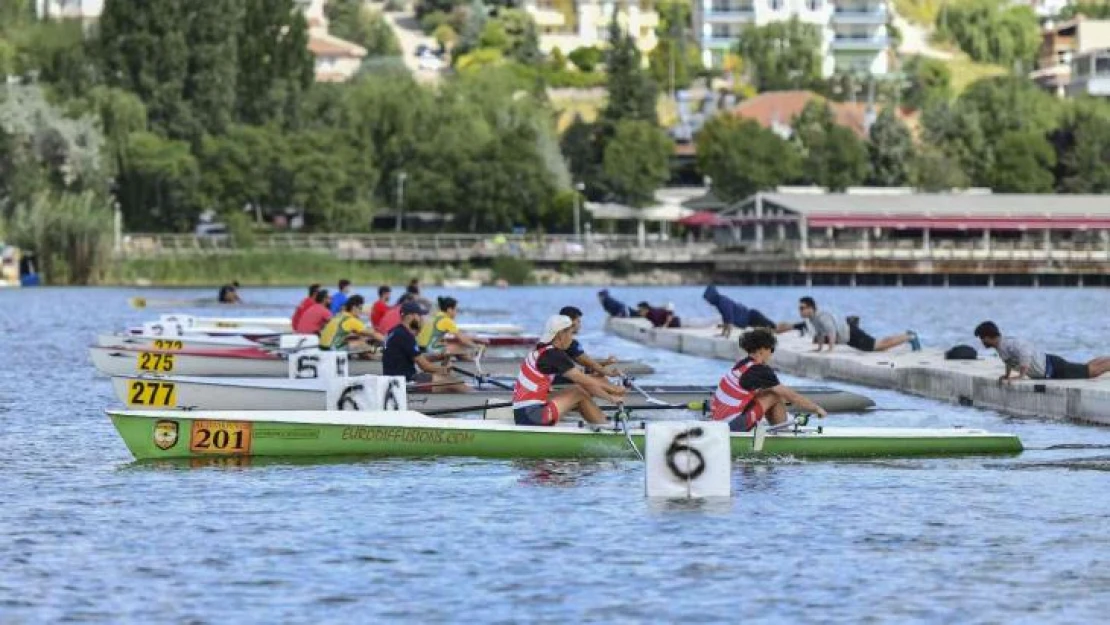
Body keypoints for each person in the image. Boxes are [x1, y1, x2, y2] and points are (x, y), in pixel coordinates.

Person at [511, 315, 627, 426]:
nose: (572, 339)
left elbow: (582, 378)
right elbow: (584, 381)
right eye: (571, 333)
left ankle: (599, 422)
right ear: (561, 334)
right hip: (532, 416)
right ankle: (605, 429)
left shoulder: (542, 350)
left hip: (523, 413)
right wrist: (612, 396)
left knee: (576, 390)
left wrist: (609, 390)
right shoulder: (554, 354)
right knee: (578, 392)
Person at [709, 328, 828, 432]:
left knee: (770, 393)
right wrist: (816, 408)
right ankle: (783, 436)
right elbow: (792, 396)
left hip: (718, 425)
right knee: (775, 395)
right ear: (762, 350)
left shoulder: (742, 364)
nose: (771, 353)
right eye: (771, 349)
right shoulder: (760, 370)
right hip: (731, 426)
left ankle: (777, 427)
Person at [974, 321, 1110, 381]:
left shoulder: (1009, 343)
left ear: (988, 337)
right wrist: (1007, 375)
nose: (981, 341)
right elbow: (1009, 361)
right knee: (1086, 368)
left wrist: (1021, 376)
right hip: (1051, 365)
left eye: (982, 338)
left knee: (1091, 372)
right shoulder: (1001, 347)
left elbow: (1025, 351)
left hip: (1053, 368)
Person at [382, 301, 468, 393]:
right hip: (405, 382)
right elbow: (425, 367)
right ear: (410, 316)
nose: (421, 319)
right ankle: (477, 399)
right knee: (455, 383)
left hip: (395, 378)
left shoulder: (395, 331)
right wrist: (444, 370)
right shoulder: (405, 335)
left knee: (445, 378)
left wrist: (439, 356)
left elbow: (416, 357)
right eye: (419, 316)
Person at [797, 296, 920, 353]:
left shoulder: (821, 316)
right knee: (879, 345)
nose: (800, 311)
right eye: (800, 308)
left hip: (851, 334)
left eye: (802, 308)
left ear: (811, 308)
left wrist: (830, 350)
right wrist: (819, 349)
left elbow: (831, 332)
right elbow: (819, 333)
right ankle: (907, 335)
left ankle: (909, 337)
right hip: (849, 337)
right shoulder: (813, 318)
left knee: (879, 345)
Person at [702, 285, 799, 337]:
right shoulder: (719, 303)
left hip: (752, 317)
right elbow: (726, 320)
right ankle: (795, 326)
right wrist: (722, 333)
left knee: (775, 329)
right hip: (750, 320)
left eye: (708, 299)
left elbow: (730, 321)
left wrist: (725, 336)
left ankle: (796, 326)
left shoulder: (723, 302)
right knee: (773, 329)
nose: (708, 302)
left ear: (712, 296)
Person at [558, 306, 620, 377]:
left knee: (597, 375)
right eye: (578, 321)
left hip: (559, 377)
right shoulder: (570, 343)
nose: (580, 325)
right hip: (560, 379)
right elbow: (590, 364)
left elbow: (588, 364)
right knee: (600, 378)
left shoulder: (553, 339)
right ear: (571, 322)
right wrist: (610, 373)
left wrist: (606, 363)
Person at [417, 296, 487, 355]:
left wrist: (476, 338)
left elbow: (460, 335)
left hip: (420, 348)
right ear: (449, 310)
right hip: (429, 350)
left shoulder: (437, 314)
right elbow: (463, 339)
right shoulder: (447, 320)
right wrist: (477, 346)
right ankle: (471, 363)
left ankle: (467, 360)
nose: (457, 312)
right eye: (456, 310)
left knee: (451, 345)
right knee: (462, 347)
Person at [319, 295, 383, 350]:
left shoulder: (340, 315)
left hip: (322, 346)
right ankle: (382, 350)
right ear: (354, 308)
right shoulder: (351, 320)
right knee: (362, 343)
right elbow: (373, 333)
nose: (361, 311)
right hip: (331, 348)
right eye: (360, 308)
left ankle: (369, 354)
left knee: (357, 339)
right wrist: (387, 343)